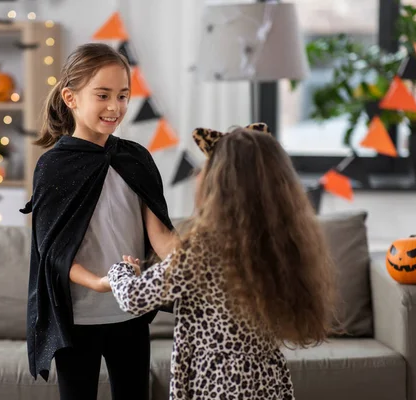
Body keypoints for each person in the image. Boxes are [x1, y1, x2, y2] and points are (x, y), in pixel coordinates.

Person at [106, 123, 337, 400]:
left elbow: (135, 298)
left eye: (206, 167)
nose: (198, 174)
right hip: (267, 378)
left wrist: (120, 272)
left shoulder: (204, 248)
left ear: (220, 183)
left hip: (216, 381)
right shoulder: (274, 243)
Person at [19, 43, 177, 399]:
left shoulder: (135, 158)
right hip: (77, 320)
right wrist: (99, 282)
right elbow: (53, 254)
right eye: (102, 95)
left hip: (131, 312)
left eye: (123, 96)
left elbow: (162, 236)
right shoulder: (53, 167)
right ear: (71, 97)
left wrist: (198, 268)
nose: (115, 107)